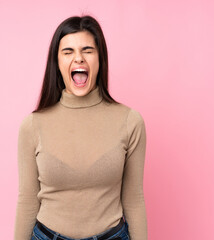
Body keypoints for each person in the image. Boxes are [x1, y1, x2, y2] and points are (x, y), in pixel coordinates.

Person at [14, 15, 147, 240]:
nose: (78, 59)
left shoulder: (130, 121)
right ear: (57, 62)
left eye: (87, 50)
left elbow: (133, 199)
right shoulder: (32, 126)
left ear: (100, 58)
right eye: (68, 52)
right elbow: (27, 199)